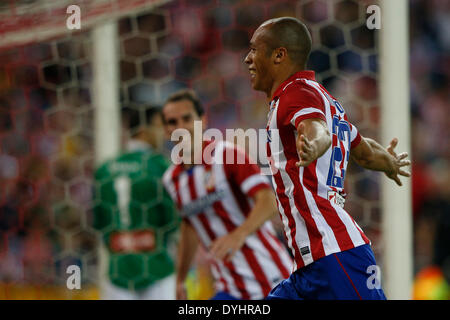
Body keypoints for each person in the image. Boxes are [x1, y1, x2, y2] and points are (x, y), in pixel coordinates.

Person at [244, 17, 411, 300]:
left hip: (336, 258)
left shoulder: (295, 95)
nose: (247, 59)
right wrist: (389, 161)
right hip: (309, 267)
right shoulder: (323, 96)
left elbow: (316, 129)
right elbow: (366, 152)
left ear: (279, 55)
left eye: (254, 50)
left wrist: (315, 143)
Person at [161, 89, 292, 300]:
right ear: (166, 130)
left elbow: (269, 202)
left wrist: (238, 234)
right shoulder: (171, 179)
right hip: (230, 286)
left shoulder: (228, 155)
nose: (181, 128)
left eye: (187, 118)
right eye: (172, 122)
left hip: (271, 278)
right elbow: (190, 225)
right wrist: (180, 279)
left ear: (202, 121)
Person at [93, 107, 179, 300]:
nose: (164, 134)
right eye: (159, 126)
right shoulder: (160, 167)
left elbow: (99, 222)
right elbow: (173, 221)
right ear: (143, 130)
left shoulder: (104, 170)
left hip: (118, 272)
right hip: (158, 270)